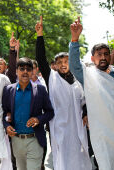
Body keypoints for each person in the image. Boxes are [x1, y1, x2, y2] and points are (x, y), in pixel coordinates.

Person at [35, 16, 92, 170]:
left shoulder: (79, 79)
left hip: (78, 127)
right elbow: (40, 59)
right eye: (59, 62)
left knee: (81, 160)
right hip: (59, 128)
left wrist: (86, 112)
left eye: (66, 61)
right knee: (62, 161)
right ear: (55, 65)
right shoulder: (51, 78)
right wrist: (40, 35)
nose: (63, 64)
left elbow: (86, 100)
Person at [69, 17, 114, 170]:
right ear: (92, 58)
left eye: (106, 54)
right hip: (101, 133)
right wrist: (75, 39)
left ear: (109, 57)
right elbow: (74, 66)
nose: (103, 57)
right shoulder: (88, 76)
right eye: (99, 54)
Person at [2, 57, 54, 170]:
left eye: (28, 69)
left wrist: (38, 119)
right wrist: (7, 126)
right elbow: (4, 113)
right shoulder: (8, 90)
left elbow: (50, 112)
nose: (25, 71)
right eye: (22, 69)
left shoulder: (40, 90)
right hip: (16, 140)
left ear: (32, 72)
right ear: (16, 71)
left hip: (35, 140)